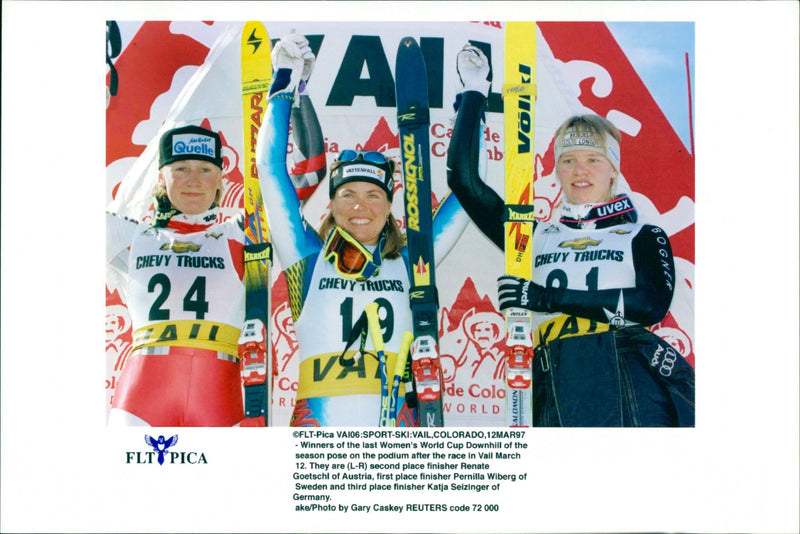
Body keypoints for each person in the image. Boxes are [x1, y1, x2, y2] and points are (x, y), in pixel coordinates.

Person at [446, 45, 694, 427]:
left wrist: (546, 297)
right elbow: (463, 182)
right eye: (569, 160)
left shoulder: (642, 233)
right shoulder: (538, 235)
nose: (581, 170)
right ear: (557, 171)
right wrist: (476, 92)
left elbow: (650, 305)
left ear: (613, 169)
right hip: (554, 375)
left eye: (593, 160)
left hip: (621, 369)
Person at [256, 33, 466, 426]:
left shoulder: (413, 262)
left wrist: (470, 103)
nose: (359, 206)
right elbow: (269, 172)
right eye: (348, 194)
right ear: (330, 205)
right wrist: (282, 85)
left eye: (373, 195)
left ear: (389, 208)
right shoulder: (306, 259)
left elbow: (467, 194)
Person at [106, 125, 247, 426]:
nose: (194, 180)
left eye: (206, 169)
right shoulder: (132, 236)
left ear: (221, 178)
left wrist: (288, 96)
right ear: (160, 177)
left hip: (218, 398)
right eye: (181, 168)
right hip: (141, 400)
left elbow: (305, 178)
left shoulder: (242, 233)